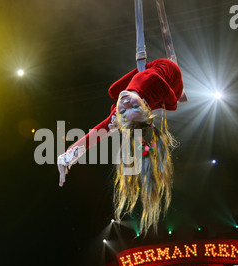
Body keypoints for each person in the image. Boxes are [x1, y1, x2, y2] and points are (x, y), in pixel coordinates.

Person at [57, 58, 184, 235]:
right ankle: (167, 99)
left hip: (153, 101)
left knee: (113, 92)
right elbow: (172, 103)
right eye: (134, 106)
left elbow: (95, 135)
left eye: (123, 112)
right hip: (168, 72)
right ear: (146, 105)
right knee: (118, 92)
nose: (124, 103)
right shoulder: (153, 81)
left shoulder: (119, 116)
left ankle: (139, 114)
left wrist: (67, 157)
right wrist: (177, 96)